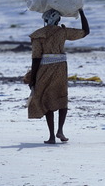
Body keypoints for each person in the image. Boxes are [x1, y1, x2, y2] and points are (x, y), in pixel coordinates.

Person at [28, 8, 90, 144]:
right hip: (61, 68)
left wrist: (32, 78)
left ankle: (51, 136)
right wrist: (81, 13)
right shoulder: (63, 32)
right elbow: (86, 32)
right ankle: (60, 130)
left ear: (45, 19)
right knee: (61, 96)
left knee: (46, 99)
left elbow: (36, 58)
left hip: (44, 69)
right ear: (58, 19)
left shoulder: (38, 35)